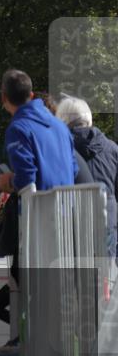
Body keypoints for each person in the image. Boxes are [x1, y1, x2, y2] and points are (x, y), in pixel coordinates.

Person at [0, 70, 79, 356]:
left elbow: (27, 178)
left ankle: (29, 345)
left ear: (4, 98)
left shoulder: (19, 127)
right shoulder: (59, 127)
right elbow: (70, 170)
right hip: (68, 214)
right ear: (32, 94)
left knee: (27, 285)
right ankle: (52, 353)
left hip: (38, 220)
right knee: (51, 289)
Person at [56, 96, 118, 260]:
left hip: (68, 228)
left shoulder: (58, 149)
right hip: (106, 223)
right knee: (106, 277)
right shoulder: (113, 149)